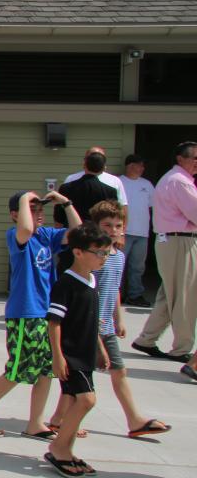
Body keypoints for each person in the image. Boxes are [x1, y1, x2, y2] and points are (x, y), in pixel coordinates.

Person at [0, 190, 80, 439]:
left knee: (46, 370)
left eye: (41, 210)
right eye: (33, 210)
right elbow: (25, 230)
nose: (39, 214)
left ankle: (35, 423)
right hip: (25, 313)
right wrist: (26, 198)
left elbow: (78, 234)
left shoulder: (46, 235)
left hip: (45, 312)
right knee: (18, 369)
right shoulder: (14, 235)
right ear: (15, 214)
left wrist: (66, 203)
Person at [50, 201, 170, 439]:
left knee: (114, 372)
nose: (114, 230)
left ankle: (131, 420)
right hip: (90, 328)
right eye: (107, 225)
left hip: (106, 326)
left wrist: (119, 318)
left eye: (118, 225)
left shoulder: (118, 257)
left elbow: (114, 289)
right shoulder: (94, 259)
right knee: (83, 378)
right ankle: (61, 420)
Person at [43, 223, 112, 478]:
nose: (103, 258)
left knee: (75, 401)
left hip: (85, 355)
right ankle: (58, 447)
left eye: (106, 253)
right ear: (78, 252)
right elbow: (54, 323)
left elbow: (90, 321)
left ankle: (66, 450)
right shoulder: (66, 283)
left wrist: (100, 349)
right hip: (70, 355)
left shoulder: (91, 281)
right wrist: (58, 356)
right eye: (99, 252)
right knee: (87, 400)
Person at [132, 141, 197, 368]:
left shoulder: (176, 179)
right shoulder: (179, 181)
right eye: (194, 158)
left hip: (174, 240)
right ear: (180, 158)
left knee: (170, 294)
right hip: (180, 240)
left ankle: (147, 339)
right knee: (184, 296)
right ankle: (181, 349)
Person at [118, 154, 154, 306]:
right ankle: (116, 295)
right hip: (123, 232)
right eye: (140, 165)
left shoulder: (147, 184)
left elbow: (153, 206)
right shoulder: (119, 182)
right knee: (119, 265)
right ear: (130, 166)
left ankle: (135, 295)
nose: (142, 168)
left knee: (138, 267)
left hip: (142, 233)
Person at [63, 146, 128, 205]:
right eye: (91, 158)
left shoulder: (115, 181)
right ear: (85, 161)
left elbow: (122, 205)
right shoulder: (71, 179)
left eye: (99, 158)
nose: (95, 160)